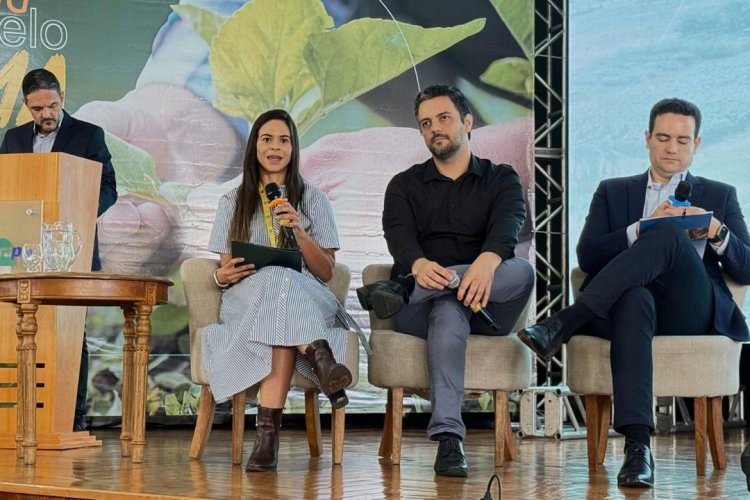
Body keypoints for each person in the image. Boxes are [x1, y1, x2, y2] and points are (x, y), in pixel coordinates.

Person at [519, 98, 750, 488]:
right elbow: (588, 255)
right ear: (647, 138)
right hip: (627, 308)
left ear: (696, 144)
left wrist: (717, 232)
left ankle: (565, 321)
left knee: (666, 235)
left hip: (689, 309)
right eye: (662, 138)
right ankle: (637, 448)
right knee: (634, 298)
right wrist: (639, 229)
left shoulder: (720, 194)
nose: (671, 148)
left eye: (682, 140)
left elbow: (746, 268)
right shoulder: (614, 191)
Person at [358, 84, 535, 477]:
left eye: (443, 118)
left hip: (489, 303)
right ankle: (450, 439)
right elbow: (398, 237)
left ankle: (402, 288)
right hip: (423, 309)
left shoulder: (502, 179)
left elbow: (508, 227)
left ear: (467, 122)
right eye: (425, 123)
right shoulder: (403, 185)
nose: (434, 128)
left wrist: (485, 264)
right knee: (448, 307)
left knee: (522, 270)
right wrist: (419, 265)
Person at [203, 109, 352, 473]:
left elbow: (325, 271)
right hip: (248, 299)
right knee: (274, 281)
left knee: (282, 295)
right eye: (267, 139)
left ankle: (266, 440)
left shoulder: (314, 199)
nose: (275, 147)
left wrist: (299, 232)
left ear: (293, 148)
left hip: (305, 297)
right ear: (254, 146)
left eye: (284, 140)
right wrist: (222, 275)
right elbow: (227, 268)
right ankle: (320, 357)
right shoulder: (232, 202)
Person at [0, 68, 118, 432]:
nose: (46, 114)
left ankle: (72, 419)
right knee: (18, 332)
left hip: (71, 250)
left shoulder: (88, 135)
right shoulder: (13, 139)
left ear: (62, 98)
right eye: (37, 108)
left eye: (52, 105)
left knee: (70, 337)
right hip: (21, 250)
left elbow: (109, 188)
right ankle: (21, 418)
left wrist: (77, 213)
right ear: (26, 105)